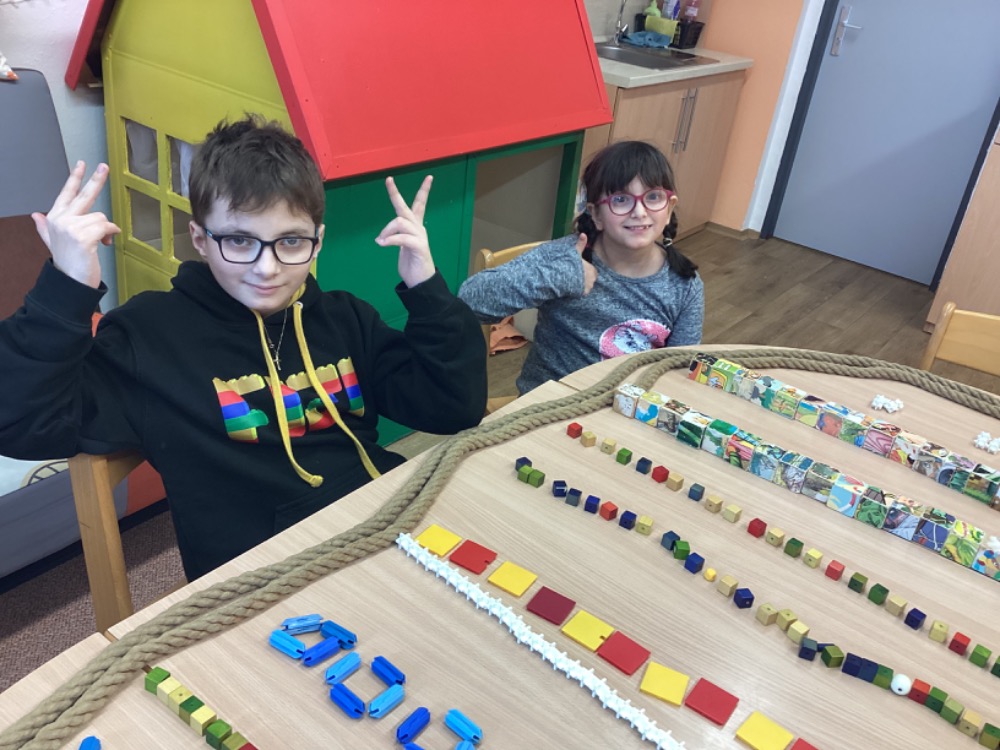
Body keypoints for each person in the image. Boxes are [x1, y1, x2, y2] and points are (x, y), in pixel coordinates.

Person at [0, 115, 487, 580]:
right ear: (199, 238)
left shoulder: (344, 317)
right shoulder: (148, 338)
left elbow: (453, 407)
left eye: (290, 242)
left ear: (318, 240)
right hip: (265, 580)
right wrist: (66, 287)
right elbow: (18, 423)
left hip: (384, 529)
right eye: (238, 240)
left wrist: (426, 287)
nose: (266, 268)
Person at [458, 140, 704, 394]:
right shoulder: (564, 258)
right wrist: (558, 277)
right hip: (549, 404)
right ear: (595, 214)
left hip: (629, 408)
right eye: (621, 199)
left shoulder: (684, 283)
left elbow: (679, 370)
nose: (639, 212)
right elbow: (470, 301)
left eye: (653, 197)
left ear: (669, 208)